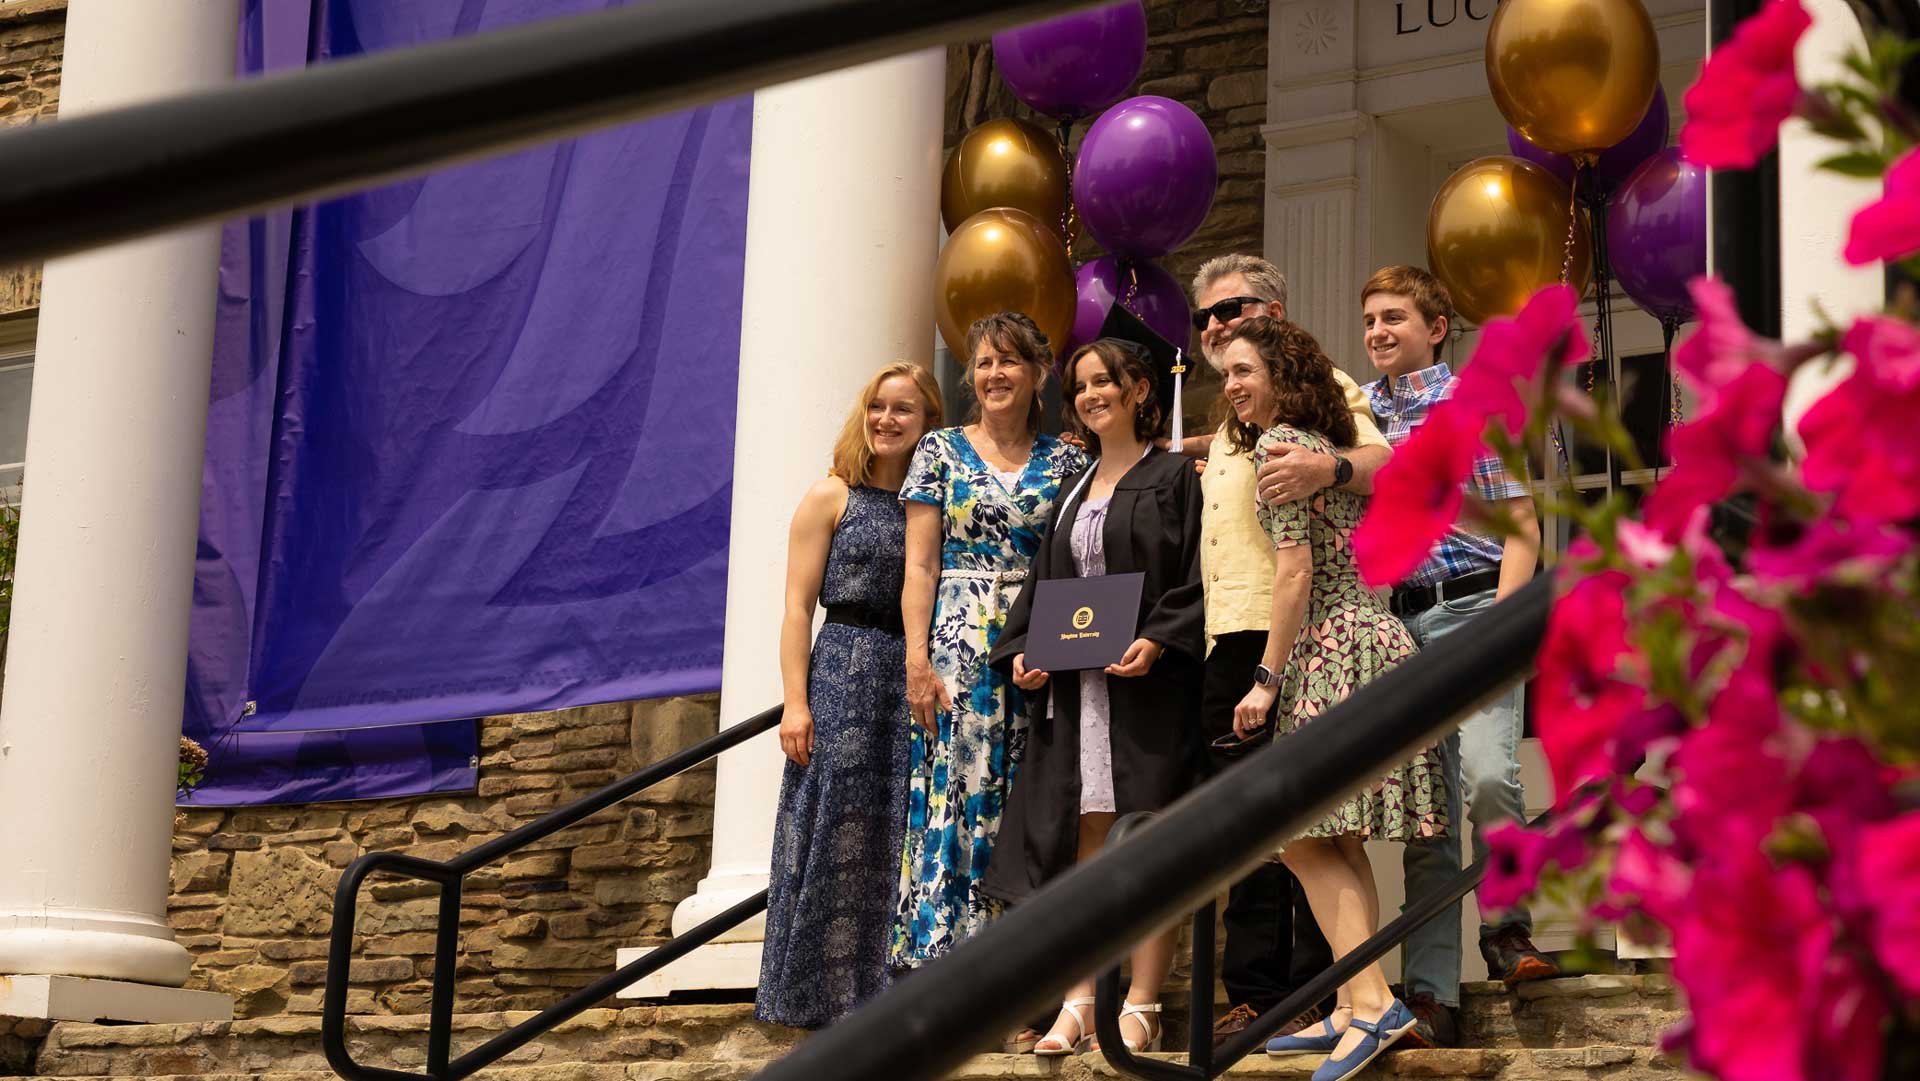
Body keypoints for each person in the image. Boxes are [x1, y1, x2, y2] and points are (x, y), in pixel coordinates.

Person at [1224, 316, 1447, 1081]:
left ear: (1282, 378)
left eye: (1243, 370)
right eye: (1225, 373)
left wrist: (1265, 676)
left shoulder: (1278, 449)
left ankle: (1373, 1001)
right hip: (1372, 634)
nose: (1231, 385)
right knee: (1338, 837)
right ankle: (1356, 1005)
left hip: (1328, 647)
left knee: (1299, 836)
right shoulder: (1324, 448)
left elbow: (1293, 573)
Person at [1183, 254, 1395, 1046]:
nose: (1214, 326)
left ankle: (1334, 992)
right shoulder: (1242, 420)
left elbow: (1384, 462)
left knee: (1299, 828)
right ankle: (1315, 997)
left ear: (1273, 310)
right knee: (1279, 833)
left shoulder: (1316, 392)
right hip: (1230, 632)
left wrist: (1325, 465)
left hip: (1294, 638)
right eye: (1205, 317)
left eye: (1231, 310)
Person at [983, 336, 1205, 1056]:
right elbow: (1047, 589)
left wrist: (1162, 638)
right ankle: (1081, 997)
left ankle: (1142, 1001)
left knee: (1148, 832)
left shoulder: (1173, 476)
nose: (1090, 395)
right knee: (1081, 837)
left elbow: (1198, 573)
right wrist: (1024, 654)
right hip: (1078, 695)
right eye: (1079, 386)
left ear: (1141, 388)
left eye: (1104, 381)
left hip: (1145, 689)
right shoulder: (1074, 488)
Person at [1360, 266, 1553, 1048]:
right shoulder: (1361, 418)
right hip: (1401, 626)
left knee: (1486, 773)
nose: (1377, 331)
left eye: (1394, 317)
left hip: (1477, 608)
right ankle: (1433, 990)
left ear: (1437, 327)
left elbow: (1523, 528)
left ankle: (1508, 931)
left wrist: (1502, 630)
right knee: (1426, 817)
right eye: (1369, 319)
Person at [891, 312, 1089, 972]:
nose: (993, 373)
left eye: (1008, 361)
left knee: (1031, 792)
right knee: (956, 786)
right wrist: (916, 659)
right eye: (982, 363)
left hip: (1037, 638)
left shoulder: (1069, 460)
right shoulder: (939, 451)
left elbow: (1077, 563)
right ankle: (947, 964)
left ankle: (1026, 969)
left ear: (1038, 374)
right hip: (953, 641)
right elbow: (919, 565)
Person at [755, 362, 944, 1029]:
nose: (888, 420)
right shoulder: (831, 495)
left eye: (905, 410)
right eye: (878, 408)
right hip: (845, 665)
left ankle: (888, 990)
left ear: (929, 422)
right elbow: (795, 608)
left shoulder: (933, 500)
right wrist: (794, 701)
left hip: (915, 674)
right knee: (838, 821)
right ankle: (819, 995)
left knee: (899, 826)